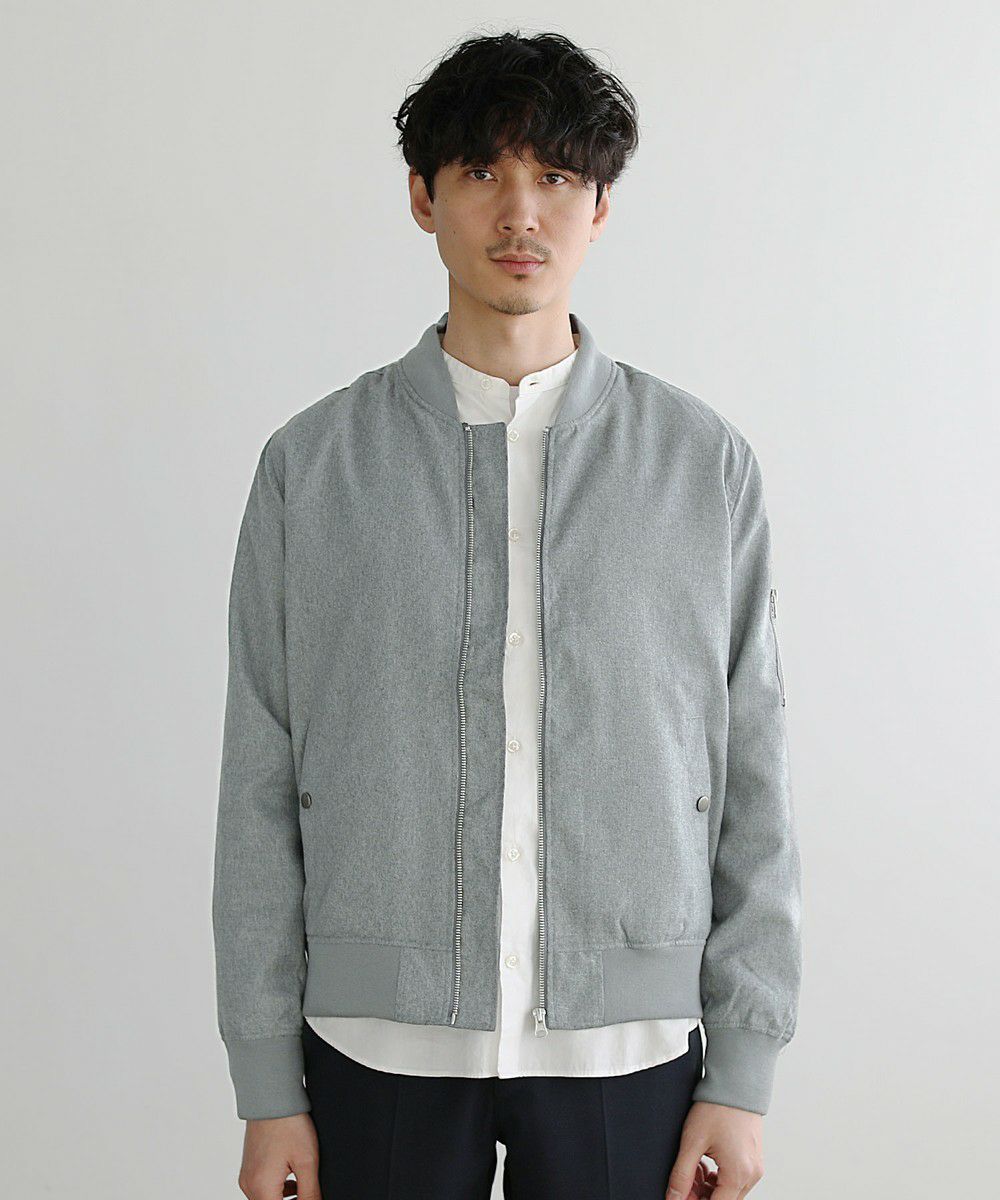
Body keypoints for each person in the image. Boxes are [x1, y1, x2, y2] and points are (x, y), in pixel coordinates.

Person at [212, 29, 802, 1200]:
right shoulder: (312, 468)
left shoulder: (700, 466)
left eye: (557, 176)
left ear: (600, 206)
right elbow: (261, 781)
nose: (520, 212)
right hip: (375, 1048)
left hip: (625, 1053)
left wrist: (742, 1071)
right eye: (482, 171)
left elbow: (752, 774)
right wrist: (268, 1087)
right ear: (422, 198)